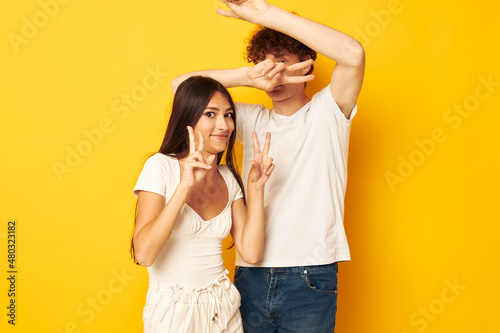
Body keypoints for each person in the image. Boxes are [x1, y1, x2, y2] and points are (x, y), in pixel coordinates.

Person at [171, 1, 365, 332]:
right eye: (264, 63)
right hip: (252, 272)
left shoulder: (328, 111)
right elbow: (182, 87)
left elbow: (353, 54)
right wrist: (250, 76)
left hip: (310, 274)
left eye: (282, 62)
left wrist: (267, 16)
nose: (272, 71)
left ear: (306, 63)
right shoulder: (250, 119)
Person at [131, 76, 275, 332]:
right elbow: (144, 254)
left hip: (224, 307)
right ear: (188, 119)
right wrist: (184, 187)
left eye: (229, 115)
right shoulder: (160, 167)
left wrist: (256, 188)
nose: (224, 125)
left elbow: (251, 253)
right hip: (174, 312)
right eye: (211, 114)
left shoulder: (229, 178)